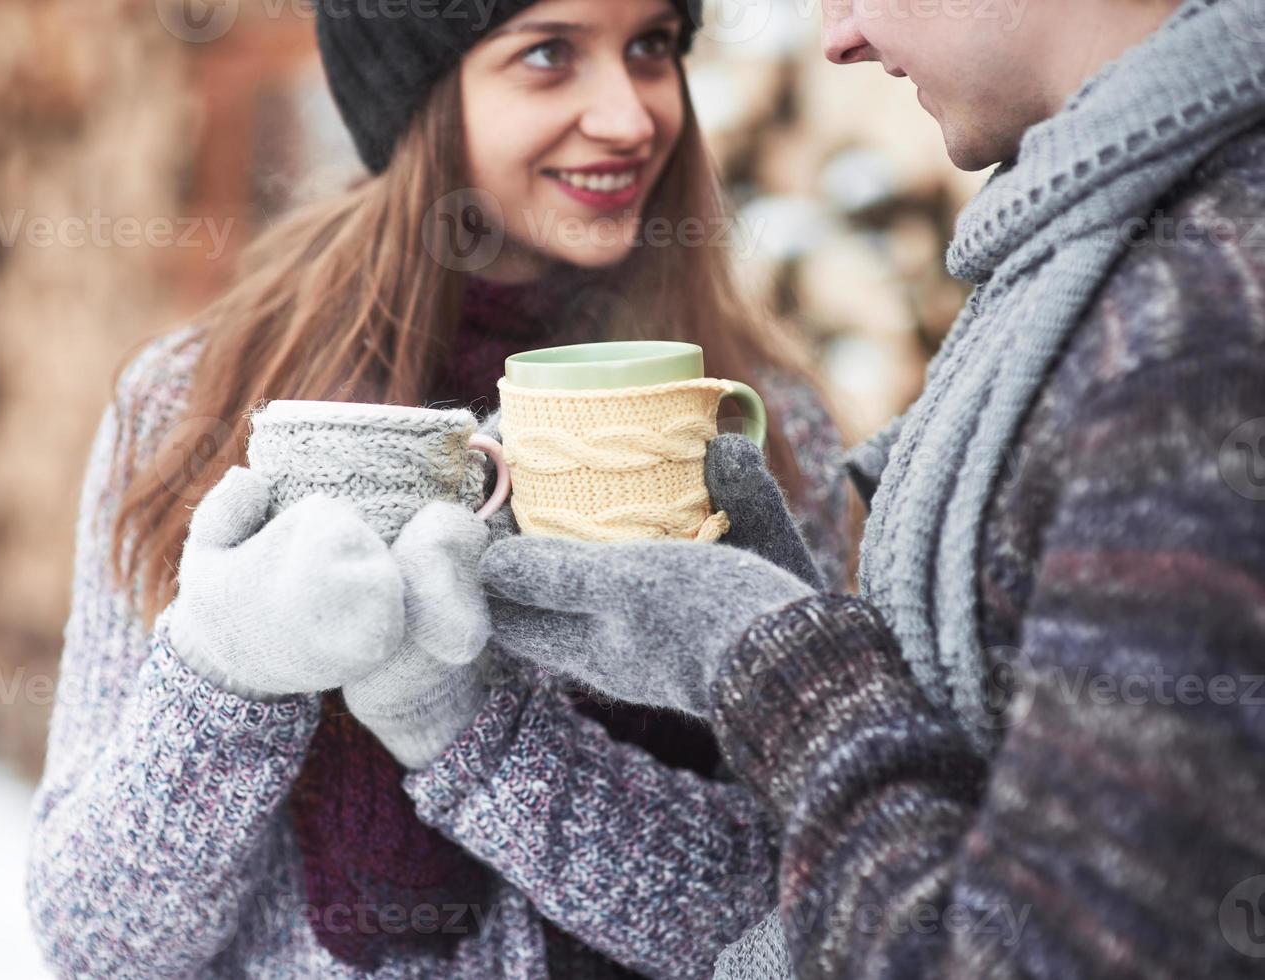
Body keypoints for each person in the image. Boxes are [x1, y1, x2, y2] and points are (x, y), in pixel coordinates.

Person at [24, 0, 854, 977]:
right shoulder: (200, 404)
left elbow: (814, 912)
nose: (631, 117)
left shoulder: (748, 426)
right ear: (417, 96)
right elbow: (97, 940)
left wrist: (473, 737)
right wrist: (223, 675)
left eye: (652, 47)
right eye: (547, 54)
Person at [484, 0, 1265, 976]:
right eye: (547, 55)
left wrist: (771, 656)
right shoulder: (1103, 270)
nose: (837, 36)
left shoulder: (1198, 329)